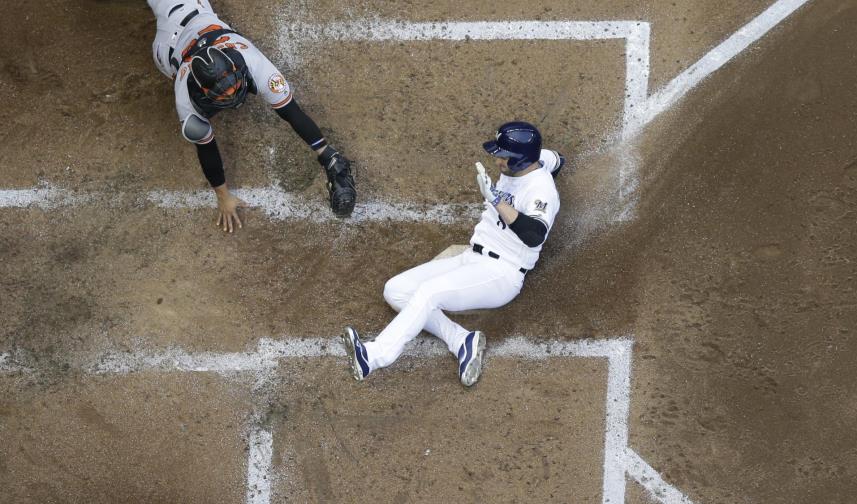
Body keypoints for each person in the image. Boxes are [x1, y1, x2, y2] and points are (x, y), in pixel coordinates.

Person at [341, 121, 564, 386]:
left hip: (501, 274)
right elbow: (555, 160)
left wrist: (497, 201)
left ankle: (374, 356)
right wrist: (557, 161)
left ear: (520, 160)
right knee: (396, 290)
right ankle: (462, 341)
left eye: (503, 157)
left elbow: (534, 235)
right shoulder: (535, 159)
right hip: (472, 258)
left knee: (429, 293)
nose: (497, 161)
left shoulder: (541, 191)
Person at [148, 0, 356, 231]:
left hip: (198, 10)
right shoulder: (185, 98)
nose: (231, 93)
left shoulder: (252, 61)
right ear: (203, 91)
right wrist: (223, 196)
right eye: (223, 92)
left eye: (232, 85)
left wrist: (326, 154)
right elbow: (206, 149)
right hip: (169, 44)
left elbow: (291, 111)